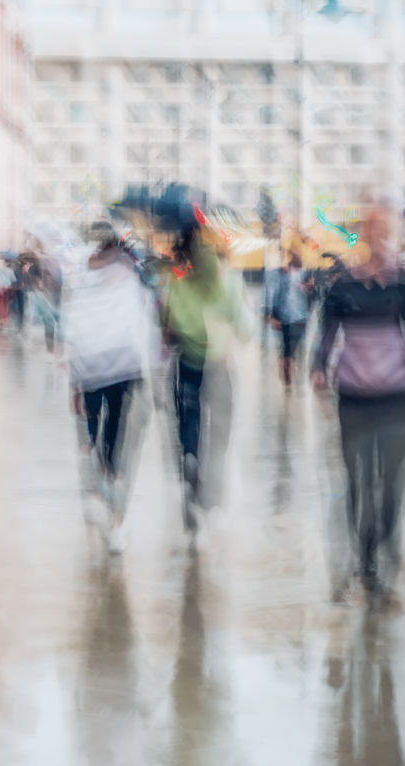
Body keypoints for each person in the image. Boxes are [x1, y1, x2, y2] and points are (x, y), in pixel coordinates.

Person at [311, 201, 405, 603]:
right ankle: (366, 559)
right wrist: (318, 369)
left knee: (391, 486)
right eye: (370, 228)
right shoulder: (342, 287)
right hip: (353, 399)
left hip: (398, 399)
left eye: (383, 228)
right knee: (358, 481)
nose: (377, 235)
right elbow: (327, 335)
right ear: (362, 235)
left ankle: (384, 539)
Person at [63, 221, 156, 554]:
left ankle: (101, 479)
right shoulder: (127, 271)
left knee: (100, 421)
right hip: (118, 363)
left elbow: (75, 321)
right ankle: (107, 479)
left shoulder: (87, 274)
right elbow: (142, 319)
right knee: (113, 423)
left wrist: (73, 373)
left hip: (98, 364)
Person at [162, 211, 253, 531]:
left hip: (186, 361)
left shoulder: (176, 278)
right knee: (220, 433)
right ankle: (211, 497)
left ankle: (189, 459)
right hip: (219, 364)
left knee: (188, 419)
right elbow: (246, 328)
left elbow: (167, 326)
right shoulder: (226, 278)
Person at [266, 250, 315, 387]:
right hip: (299, 317)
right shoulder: (303, 274)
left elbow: (277, 295)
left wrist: (274, 315)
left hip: (288, 316)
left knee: (287, 346)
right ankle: (290, 365)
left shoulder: (289, 274)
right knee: (294, 346)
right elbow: (313, 296)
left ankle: (288, 365)